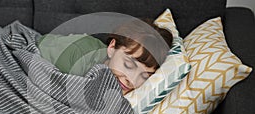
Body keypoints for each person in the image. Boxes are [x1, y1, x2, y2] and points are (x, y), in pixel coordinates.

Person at [37, 19, 172, 95]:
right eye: (128, 65)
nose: (131, 80)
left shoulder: (127, 86)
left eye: (144, 76)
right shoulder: (79, 58)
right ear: (112, 48)